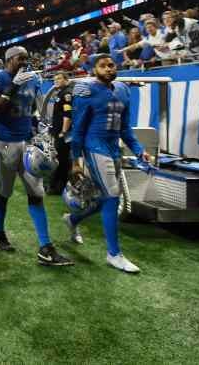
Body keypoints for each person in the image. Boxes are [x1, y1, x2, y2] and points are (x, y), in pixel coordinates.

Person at [0, 46, 73, 266]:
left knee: (36, 192)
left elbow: (36, 109)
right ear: (9, 60)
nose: (25, 61)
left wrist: (41, 129)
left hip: (27, 142)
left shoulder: (34, 80)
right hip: (4, 142)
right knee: (5, 191)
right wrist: (12, 87)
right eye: (20, 58)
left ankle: (45, 247)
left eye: (27, 57)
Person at [65, 54, 150, 273]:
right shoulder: (86, 90)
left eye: (111, 65)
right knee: (113, 196)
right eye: (103, 66)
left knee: (104, 199)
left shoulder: (122, 89)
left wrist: (140, 151)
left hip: (113, 148)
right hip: (95, 146)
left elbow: (125, 129)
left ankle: (73, 219)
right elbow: (78, 128)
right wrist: (76, 160)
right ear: (94, 70)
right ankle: (114, 254)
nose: (109, 69)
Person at [47, 72, 72, 196]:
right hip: (58, 131)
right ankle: (58, 186)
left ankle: (56, 187)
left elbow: (68, 115)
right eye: (54, 78)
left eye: (59, 78)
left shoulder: (67, 94)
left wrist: (63, 132)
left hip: (63, 133)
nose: (56, 80)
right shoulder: (61, 92)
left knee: (60, 160)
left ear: (66, 80)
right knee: (61, 160)